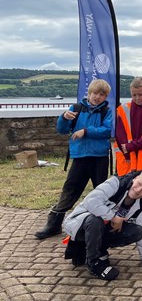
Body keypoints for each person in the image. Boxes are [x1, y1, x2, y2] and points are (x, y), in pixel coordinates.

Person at [35, 79, 113, 240]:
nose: (97, 97)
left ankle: (103, 225)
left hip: (99, 157)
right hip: (80, 157)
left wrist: (86, 131)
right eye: (94, 93)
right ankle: (54, 223)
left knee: (101, 192)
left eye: (101, 94)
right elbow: (62, 130)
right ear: (89, 93)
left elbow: (107, 130)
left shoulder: (107, 111)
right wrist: (63, 117)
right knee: (70, 189)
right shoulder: (76, 109)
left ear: (105, 97)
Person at [62, 170, 142, 281]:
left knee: (138, 231)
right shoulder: (115, 183)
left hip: (102, 229)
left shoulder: (141, 205)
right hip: (81, 222)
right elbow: (91, 201)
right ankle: (94, 263)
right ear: (135, 178)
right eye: (139, 184)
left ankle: (99, 250)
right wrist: (114, 217)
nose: (138, 190)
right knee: (95, 221)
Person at [113, 77, 142, 176]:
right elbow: (119, 134)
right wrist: (127, 151)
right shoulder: (122, 109)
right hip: (126, 159)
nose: (137, 98)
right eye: (134, 95)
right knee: (125, 189)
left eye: (140, 94)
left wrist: (130, 146)